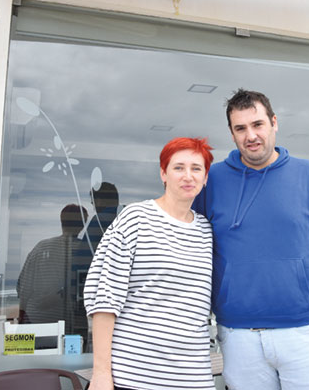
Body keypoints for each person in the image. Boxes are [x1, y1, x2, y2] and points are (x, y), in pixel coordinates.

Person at [193, 89, 309, 390]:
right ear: (231, 133)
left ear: (274, 123)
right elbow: (191, 246)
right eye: (240, 128)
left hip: (303, 332)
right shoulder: (211, 181)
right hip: (238, 335)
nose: (250, 135)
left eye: (258, 124)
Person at [84, 137, 214, 390]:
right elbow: (104, 299)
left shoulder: (206, 231)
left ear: (205, 177)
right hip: (134, 377)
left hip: (194, 378)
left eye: (196, 168)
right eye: (178, 168)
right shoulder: (135, 219)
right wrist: (101, 374)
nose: (188, 176)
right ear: (163, 174)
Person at [16, 203, 89, 337]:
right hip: (73, 324)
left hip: (38, 320)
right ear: (82, 225)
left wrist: (22, 315)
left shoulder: (41, 247)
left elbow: (24, 288)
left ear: (61, 222)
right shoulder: (86, 251)